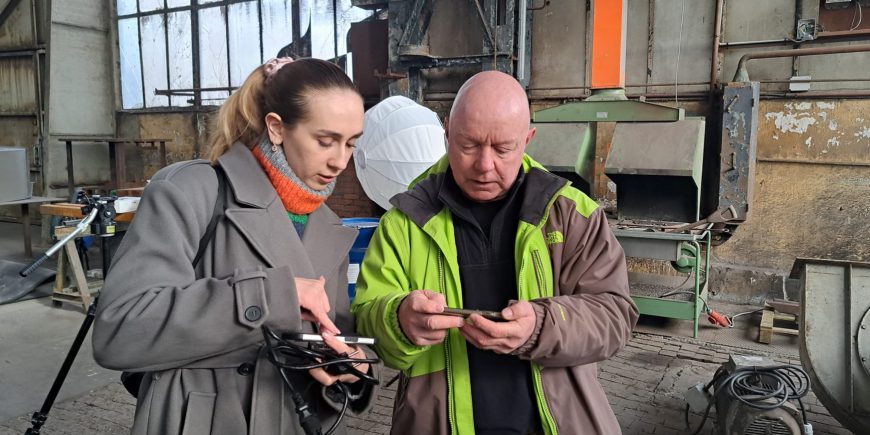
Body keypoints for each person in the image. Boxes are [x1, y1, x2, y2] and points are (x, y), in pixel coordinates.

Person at [93, 57, 379, 435]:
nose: (341, 161)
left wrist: (353, 365)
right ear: (276, 127)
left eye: (351, 143)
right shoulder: (192, 191)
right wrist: (269, 296)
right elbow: (119, 331)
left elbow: (334, 332)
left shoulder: (330, 227)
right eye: (325, 141)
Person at [352, 71, 638, 435]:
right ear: (447, 132)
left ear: (527, 140)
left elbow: (614, 315)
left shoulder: (571, 214)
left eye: (503, 149)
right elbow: (366, 324)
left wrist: (541, 325)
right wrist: (399, 320)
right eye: (468, 145)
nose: (484, 166)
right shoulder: (405, 222)